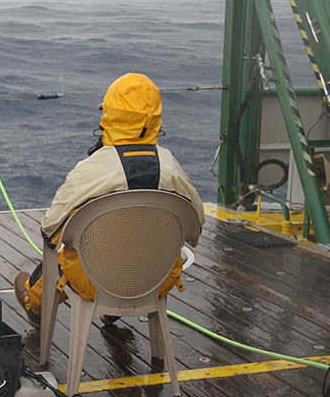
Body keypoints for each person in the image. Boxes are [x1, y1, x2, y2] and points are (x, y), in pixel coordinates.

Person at [14, 73, 205, 328]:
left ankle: (36, 306)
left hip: (95, 282)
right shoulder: (172, 169)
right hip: (156, 281)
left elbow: (50, 229)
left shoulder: (91, 170)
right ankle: (114, 313)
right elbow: (195, 230)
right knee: (145, 241)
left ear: (108, 114)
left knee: (63, 251)